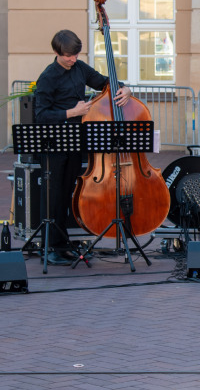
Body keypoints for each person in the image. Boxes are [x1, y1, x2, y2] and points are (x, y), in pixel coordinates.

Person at [34, 29, 132, 265]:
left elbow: (103, 82)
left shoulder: (80, 68)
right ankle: (51, 247)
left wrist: (125, 88)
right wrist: (72, 112)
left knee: (68, 193)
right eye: (68, 55)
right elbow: (41, 115)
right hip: (54, 145)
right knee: (54, 196)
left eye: (76, 55)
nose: (73, 59)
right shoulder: (47, 77)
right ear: (57, 52)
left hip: (76, 141)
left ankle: (63, 243)